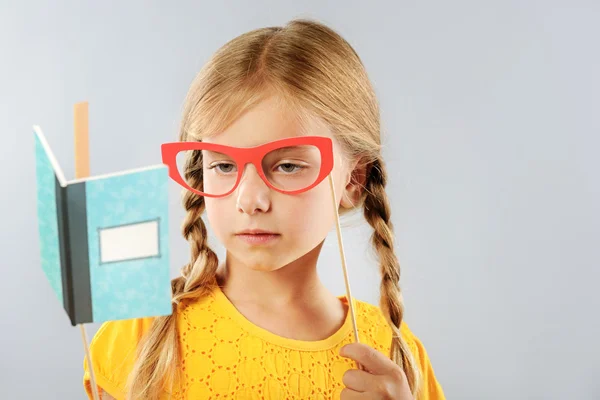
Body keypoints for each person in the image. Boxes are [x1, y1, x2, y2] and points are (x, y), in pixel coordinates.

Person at [83, 18, 445, 400]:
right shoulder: (145, 335)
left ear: (352, 180)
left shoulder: (390, 360)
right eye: (224, 166)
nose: (250, 200)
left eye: (288, 166)